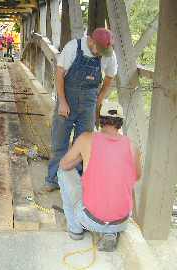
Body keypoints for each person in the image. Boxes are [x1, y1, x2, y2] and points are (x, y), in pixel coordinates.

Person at [56, 101, 141, 251]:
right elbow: (136, 177)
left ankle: (75, 228)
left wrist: (82, 156)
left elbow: (64, 164)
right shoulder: (132, 146)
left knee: (62, 172)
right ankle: (111, 233)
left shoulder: (87, 138)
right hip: (121, 221)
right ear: (120, 123)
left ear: (100, 119)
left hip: (91, 220)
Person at [44, 28, 118, 192]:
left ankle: (74, 182)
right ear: (91, 41)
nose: (102, 54)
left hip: (89, 102)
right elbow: (59, 73)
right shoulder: (73, 47)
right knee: (59, 142)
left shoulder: (108, 54)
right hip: (68, 97)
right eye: (100, 49)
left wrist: (99, 99)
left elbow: (110, 76)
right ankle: (53, 179)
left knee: (83, 143)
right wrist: (62, 102)